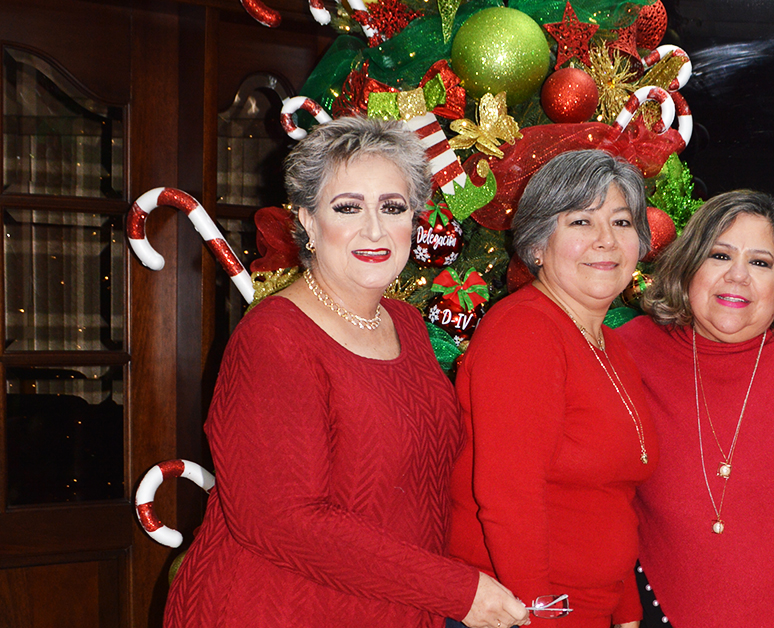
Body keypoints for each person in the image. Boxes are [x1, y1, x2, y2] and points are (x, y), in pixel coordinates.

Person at [164, 116, 529, 628]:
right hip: (278, 607)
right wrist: (455, 590)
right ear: (309, 222)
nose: (374, 229)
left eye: (393, 207)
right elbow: (282, 520)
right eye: (348, 207)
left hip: (392, 604)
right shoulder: (274, 338)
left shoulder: (406, 322)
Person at [616, 190, 774, 627]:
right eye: (719, 256)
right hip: (654, 609)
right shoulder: (627, 352)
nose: (738, 276)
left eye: (760, 262)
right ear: (688, 267)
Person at [446, 149, 659, 628]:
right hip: (525, 613)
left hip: (589, 608)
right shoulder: (525, 331)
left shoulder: (612, 348)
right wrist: (538, 617)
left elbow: (610, 497)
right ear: (538, 244)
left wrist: (625, 611)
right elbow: (509, 497)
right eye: (581, 222)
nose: (606, 240)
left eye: (622, 223)